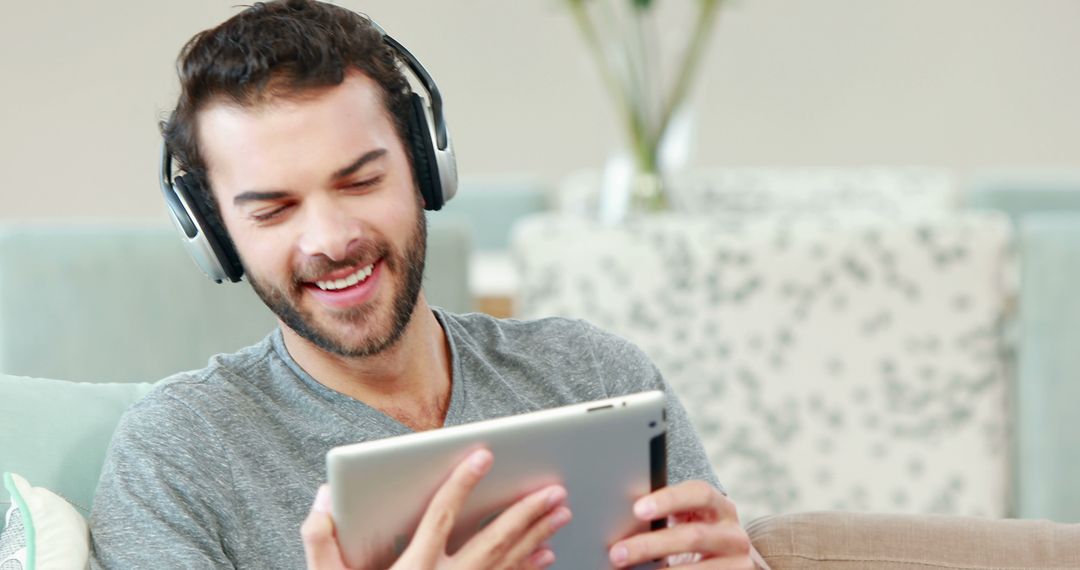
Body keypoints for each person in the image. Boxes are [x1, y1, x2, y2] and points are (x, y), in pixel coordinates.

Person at [90, 1, 763, 568]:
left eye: (361, 181)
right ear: (215, 233)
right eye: (273, 210)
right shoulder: (177, 455)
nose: (328, 239)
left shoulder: (594, 374)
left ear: (423, 167)